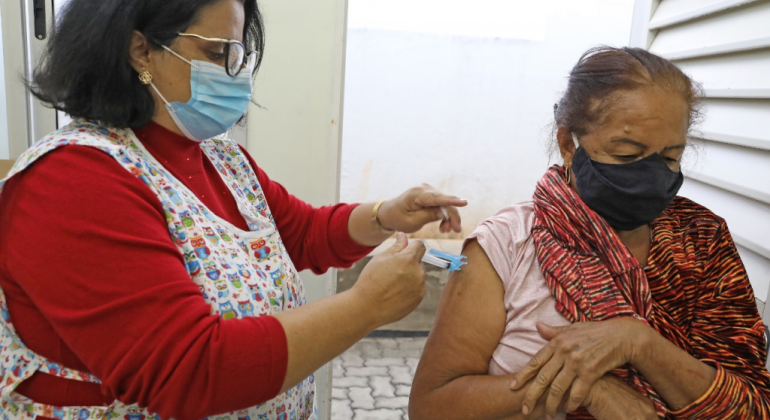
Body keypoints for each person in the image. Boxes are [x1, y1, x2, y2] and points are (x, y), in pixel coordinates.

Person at [0, 1, 467, 419]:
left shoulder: (218, 159)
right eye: (217, 54)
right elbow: (190, 371)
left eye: (238, 57)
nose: (233, 75)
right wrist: (366, 306)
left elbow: (301, 233)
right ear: (141, 49)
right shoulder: (74, 181)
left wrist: (386, 215)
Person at [410, 46, 770, 420]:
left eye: (669, 158)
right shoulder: (506, 246)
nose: (650, 177)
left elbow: (753, 407)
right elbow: (433, 406)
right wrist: (586, 390)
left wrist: (639, 342)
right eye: (627, 154)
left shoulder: (701, 240)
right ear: (569, 144)